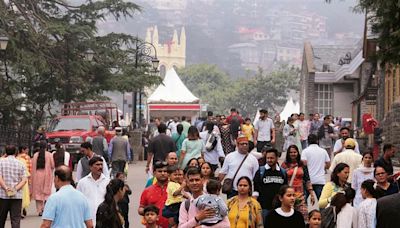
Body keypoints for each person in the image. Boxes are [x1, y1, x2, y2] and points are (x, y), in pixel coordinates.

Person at [281, 145, 315, 221]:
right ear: (288, 154)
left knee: (303, 217)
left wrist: (312, 193)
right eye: (291, 152)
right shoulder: (284, 165)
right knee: (289, 217)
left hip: (301, 195)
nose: (293, 154)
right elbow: (282, 180)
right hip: (288, 195)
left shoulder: (302, 164)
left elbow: (307, 180)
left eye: (294, 152)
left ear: (298, 153)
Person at [253, 148, 288, 222]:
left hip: (280, 207)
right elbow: (256, 190)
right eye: (267, 158)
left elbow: (285, 190)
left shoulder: (283, 172)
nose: (269, 160)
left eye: (271, 158)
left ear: (277, 158)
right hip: (264, 207)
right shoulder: (260, 171)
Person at [77, 156, 110, 226]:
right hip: (87, 219)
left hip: (104, 220)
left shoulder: (107, 182)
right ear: (90, 167)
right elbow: (78, 202)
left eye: (101, 165)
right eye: (97, 165)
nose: (100, 167)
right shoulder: (82, 182)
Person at [0, 145, 27, 228]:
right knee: (15, 220)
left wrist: (6, 188)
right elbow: (24, 180)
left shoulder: (1, 162)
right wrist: (15, 189)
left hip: (3, 195)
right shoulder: (20, 163)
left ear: (5, 152)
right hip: (17, 196)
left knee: (1, 219)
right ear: (16, 152)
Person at [139, 161, 169, 228]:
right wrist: (149, 213)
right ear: (154, 173)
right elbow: (141, 208)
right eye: (160, 171)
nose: (163, 173)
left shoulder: (174, 189)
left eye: (165, 171)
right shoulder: (147, 191)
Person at [301, 134, 330, 200]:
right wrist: (321, 168)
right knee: (321, 202)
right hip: (320, 180)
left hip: (308, 180)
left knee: (304, 203)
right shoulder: (323, 151)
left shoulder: (305, 151)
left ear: (308, 141)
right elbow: (328, 164)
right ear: (317, 141)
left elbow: (303, 163)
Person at [31, 141, 55, 215]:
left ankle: (39, 210)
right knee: (45, 192)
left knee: (38, 193)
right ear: (46, 147)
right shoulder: (49, 155)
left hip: (37, 175)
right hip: (46, 175)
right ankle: (45, 208)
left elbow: (33, 165)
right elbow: (53, 165)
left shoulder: (35, 155)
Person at [17, 146, 31, 218]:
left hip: (16, 180)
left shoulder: (16, 158)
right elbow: (29, 169)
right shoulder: (26, 158)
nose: (28, 150)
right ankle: (23, 208)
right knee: (24, 195)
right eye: (27, 149)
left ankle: (19, 210)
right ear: (23, 150)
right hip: (24, 179)